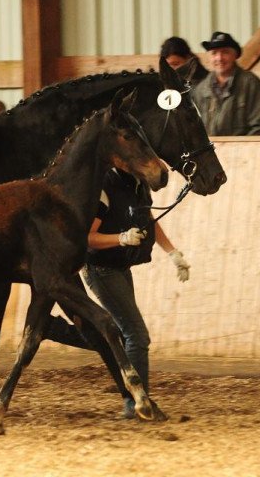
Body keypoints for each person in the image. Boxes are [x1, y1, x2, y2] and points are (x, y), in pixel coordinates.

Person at [81, 165, 190, 419]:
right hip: (101, 268)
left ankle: (135, 400)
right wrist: (120, 238)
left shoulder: (138, 185)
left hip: (118, 266)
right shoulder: (105, 188)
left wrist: (173, 253)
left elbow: (149, 221)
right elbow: (87, 237)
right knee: (137, 334)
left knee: (125, 331)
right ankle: (135, 404)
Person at [192, 31, 260, 135]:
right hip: (210, 150)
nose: (219, 58)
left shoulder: (251, 84)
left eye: (225, 52)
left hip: (244, 150)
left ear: (235, 55)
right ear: (209, 58)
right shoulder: (201, 90)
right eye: (214, 53)